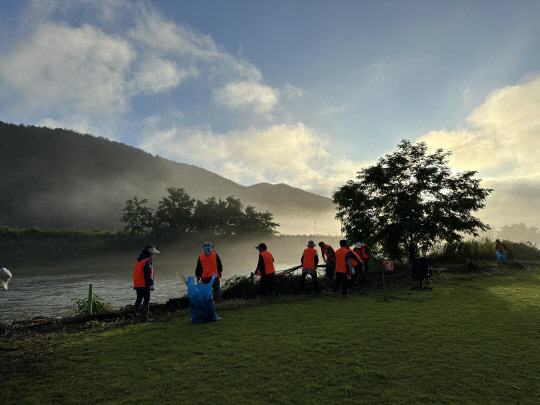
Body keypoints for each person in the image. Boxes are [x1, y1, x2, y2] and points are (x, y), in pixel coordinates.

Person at [133, 245, 160, 322]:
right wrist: (151, 284)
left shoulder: (139, 260)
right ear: (149, 252)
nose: (153, 254)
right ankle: (144, 318)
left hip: (138, 284)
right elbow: (147, 274)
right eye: (152, 253)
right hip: (144, 284)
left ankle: (135, 316)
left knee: (139, 299)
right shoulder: (147, 260)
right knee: (146, 299)